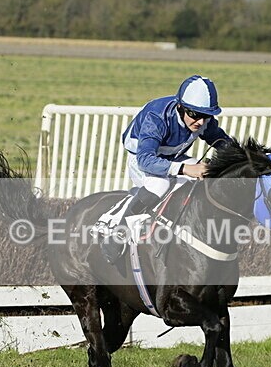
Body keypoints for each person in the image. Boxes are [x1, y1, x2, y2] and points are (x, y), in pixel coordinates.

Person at [99, 74, 232, 263]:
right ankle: (118, 233)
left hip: (172, 157)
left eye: (206, 116)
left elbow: (220, 140)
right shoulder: (157, 117)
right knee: (159, 185)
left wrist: (243, 157)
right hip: (142, 159)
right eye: (195, 115)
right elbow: (146, 160)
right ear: (180, 107)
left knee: (206, 176)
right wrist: (185, 169)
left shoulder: (202, 119)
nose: (201, 122)